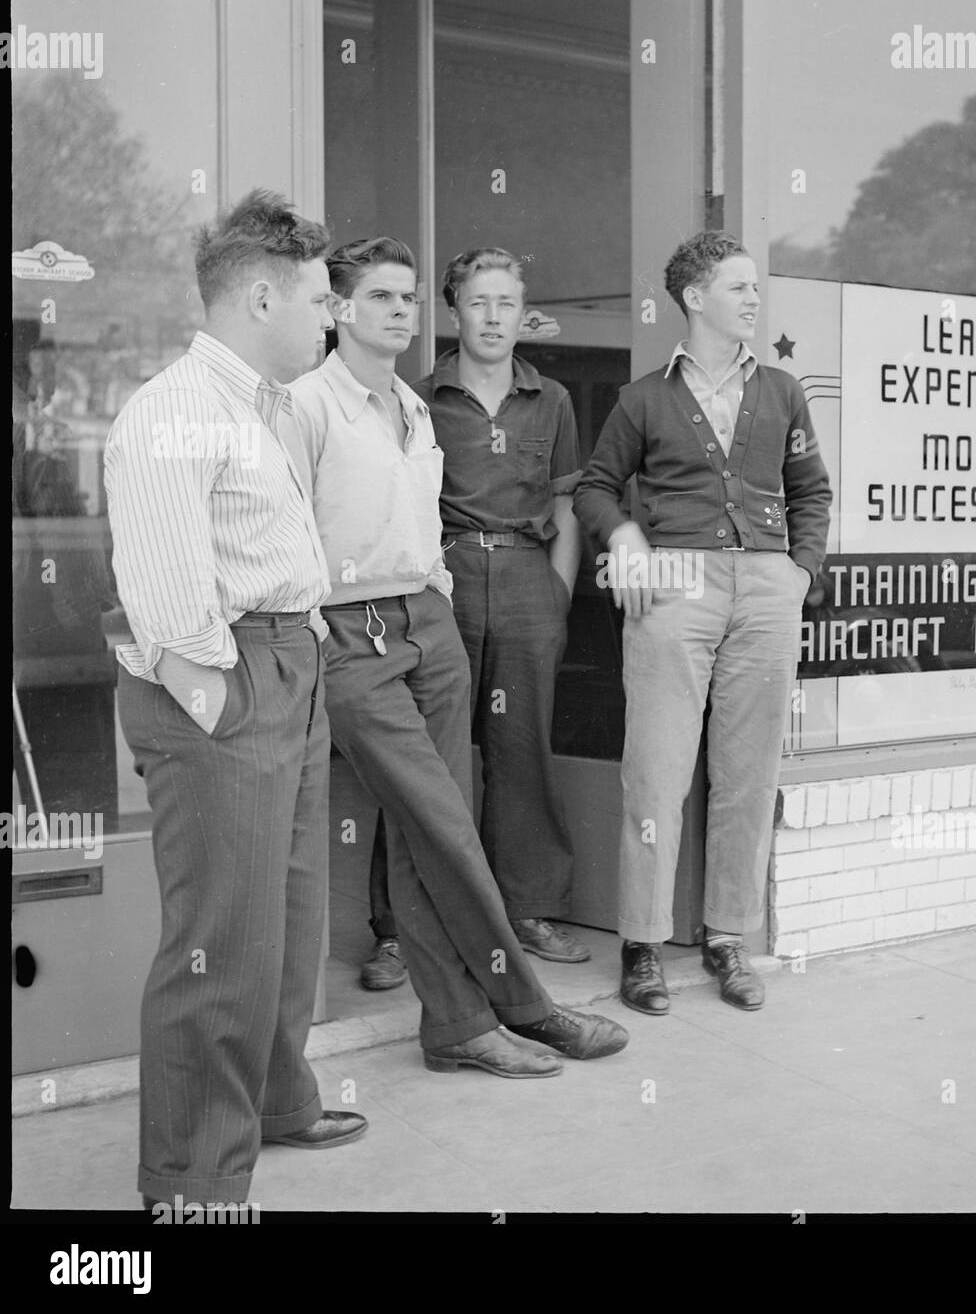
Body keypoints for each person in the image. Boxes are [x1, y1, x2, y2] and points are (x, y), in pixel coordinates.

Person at [289, 235, 627, 1078]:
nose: (399, 311)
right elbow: (281, 526)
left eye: (407, 297)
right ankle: (525, 1004)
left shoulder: (405, 405)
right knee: (441, 817)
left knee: (420, 829)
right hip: (353, 630)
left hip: (426, 619)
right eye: (380, 297)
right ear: (336, 309)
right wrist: (318, 619)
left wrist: (439, 592)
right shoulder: (303, 406)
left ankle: (452, 1025)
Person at [104, 189, 368, 1215]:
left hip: (286, 670)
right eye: (317, 298)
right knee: (221, 938)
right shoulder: (175, 408)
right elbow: (169, 606)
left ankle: (274, 1097)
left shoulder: (258, 406)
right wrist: (221, 701)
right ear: (260, 295)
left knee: (290, 918)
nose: (329, 318)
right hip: (229, 680)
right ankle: (194, 1181)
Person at [574, 230, 832, 1015]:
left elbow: (811, 490)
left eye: (756, 287)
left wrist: (799, 571)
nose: (755, 299)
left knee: (749, 773)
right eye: (739, 287)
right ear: (694, 297)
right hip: (675, 583)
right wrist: (623, 536)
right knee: (655, 769)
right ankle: (644, 944)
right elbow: (596, 485)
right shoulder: (645, 398)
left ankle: (726, 935)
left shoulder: (782, 390)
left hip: (765, 586)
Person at [410, 247, 587, 965]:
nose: (491, 316)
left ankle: (530, 910)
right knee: (427, 757)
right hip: (446, 576)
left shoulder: (552, 399)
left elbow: (570, 499)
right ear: (455, 310)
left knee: (521, 754)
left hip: (524, 576)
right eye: (478, 302)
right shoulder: (419, 398)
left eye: (505, 302)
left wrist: (558, 588)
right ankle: (407, 926)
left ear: (523, 313)